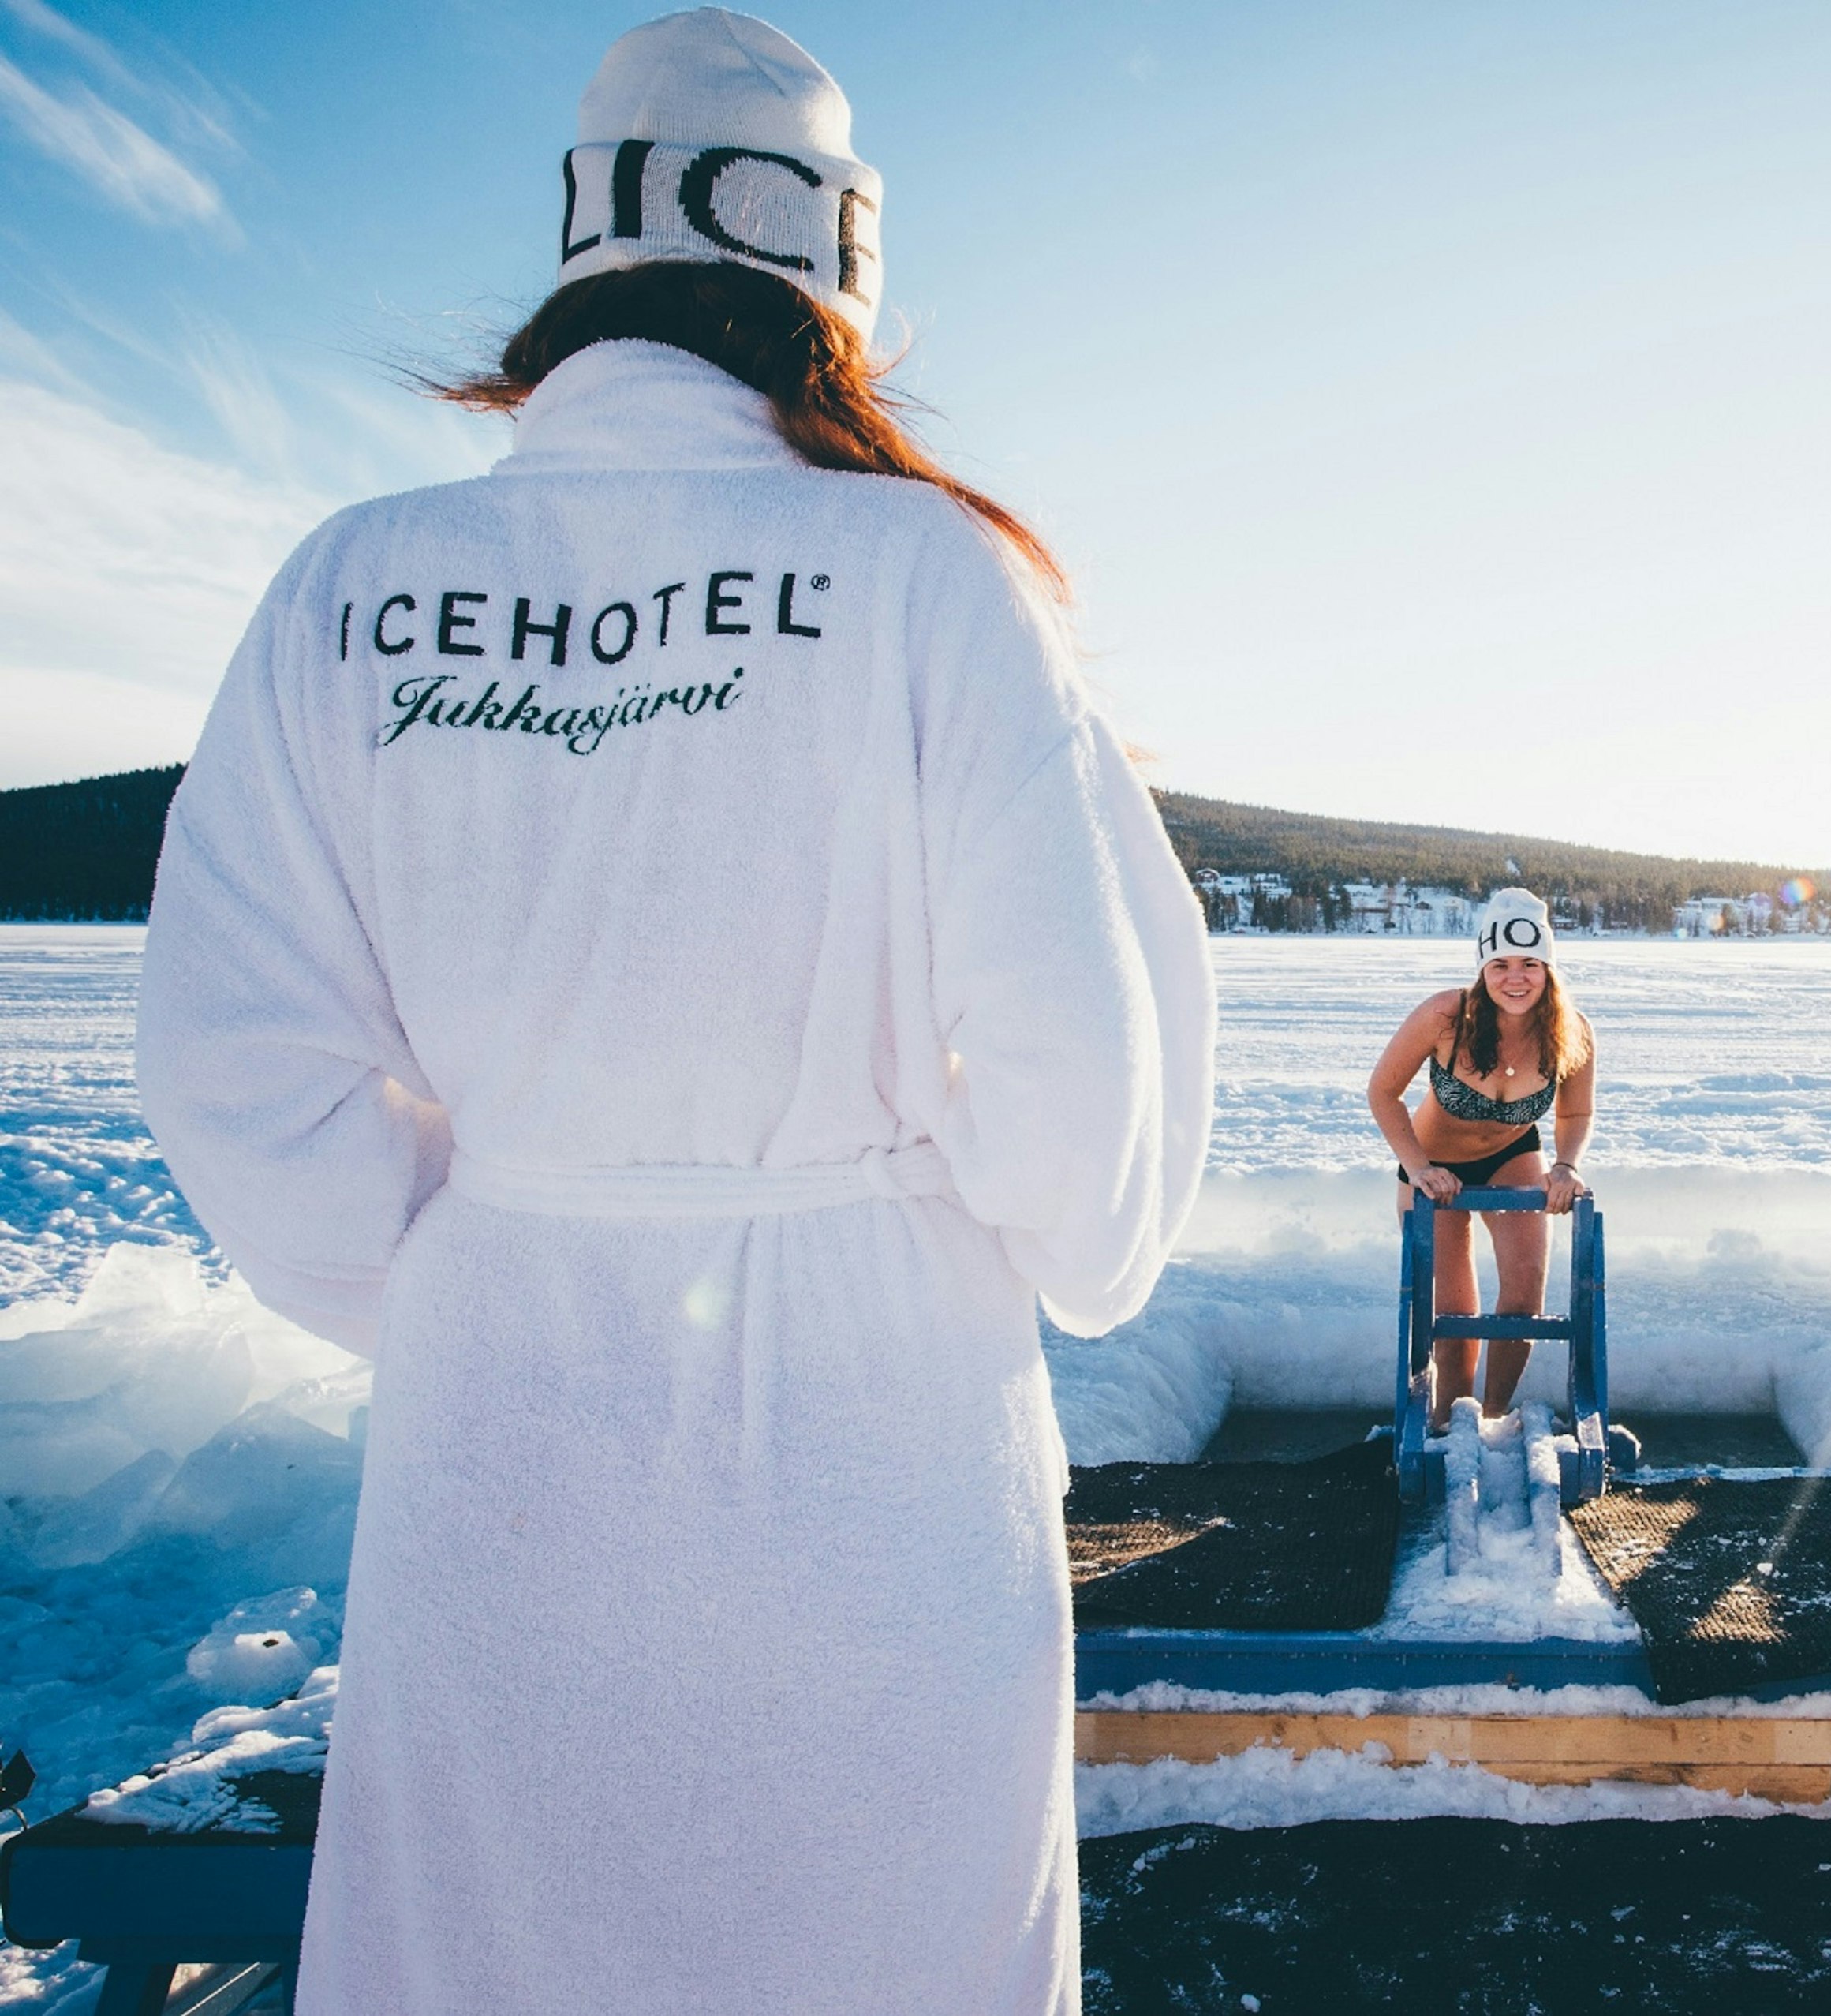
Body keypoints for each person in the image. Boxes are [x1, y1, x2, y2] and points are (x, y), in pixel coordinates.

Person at [133, 13, 1215, 2012]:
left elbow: (230, 1058)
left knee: (501, 1953)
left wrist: (484, 1243)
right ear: (834, 280)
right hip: (877, 1417)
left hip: (500, 1417)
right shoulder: (928, 575)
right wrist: (1031, 1232)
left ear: (580, 262)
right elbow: (1084, 1108)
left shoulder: (351, 584)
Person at [1365, 888, 1597, 1418]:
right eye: (1501, 965)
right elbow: (1382, 1091)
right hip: (1432, 1166)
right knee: (1454, 1310)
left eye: (1530, 964)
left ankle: (1492, 1418)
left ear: (1549, 968)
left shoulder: (1573, 1032)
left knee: (1523, 1295)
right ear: (1483, 968)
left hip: (1512, 1154)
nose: (1515, 978)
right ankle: (1452, 1421)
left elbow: (1575, 1115)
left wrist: (1565, 1164)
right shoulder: (1447, 1016)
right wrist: (1420, 1168)